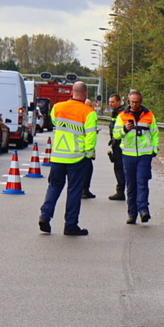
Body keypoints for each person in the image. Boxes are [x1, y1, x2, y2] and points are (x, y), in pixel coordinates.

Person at [38, 81, 96, 236]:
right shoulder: (88, 112)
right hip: (77, 157)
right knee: (74, 191)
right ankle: (70, 225)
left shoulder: (57, 107)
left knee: (54, 187)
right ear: (86, 94)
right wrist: (89, 154)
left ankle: (45, 215)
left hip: (58, 156)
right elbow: (91, 136)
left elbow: (55, 122)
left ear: (72, 92)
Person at [112, 89, 159, 224]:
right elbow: (116, 135)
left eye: (137, 102)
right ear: (128, 101)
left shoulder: (149, 115)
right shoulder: (122, 116)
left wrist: (154, 149)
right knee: (131, 185)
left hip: (144, 154)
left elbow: (155, 133)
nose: (134, 105)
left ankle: (143, 210)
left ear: (141, 102)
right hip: (128, 154)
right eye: (132, 102)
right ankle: (132, 214)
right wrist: (125, 129)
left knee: (142, 182)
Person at [106, 93, 126, 200]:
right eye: (110, 102)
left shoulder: (121, 113)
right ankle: (121, 190)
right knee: (119, 168)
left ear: (119, 102)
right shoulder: (115, 113)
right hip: (116, 144)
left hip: (121, 144)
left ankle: (121, 191)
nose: (111, 104)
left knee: (120, 168)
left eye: (113, 102)